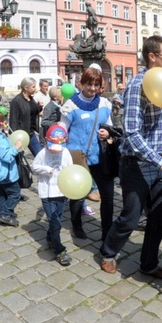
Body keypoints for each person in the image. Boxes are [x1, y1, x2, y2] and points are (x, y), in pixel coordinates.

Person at [99, 35, 162, 278]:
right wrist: (159, 160)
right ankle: (109, 252)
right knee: (131, 217)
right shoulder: (136, 86)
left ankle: (149, 263)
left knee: (159, 219)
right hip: (137, 164)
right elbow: (131, 132)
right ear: (152, 57)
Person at [61, 67, 114, 240]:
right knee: (78, 195)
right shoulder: (70, 105)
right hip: (78, 156)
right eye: (89, 84)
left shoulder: (105, 104)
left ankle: (107, 229)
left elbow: (109, 126)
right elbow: (62, 129)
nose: (92, 88)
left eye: (96, 84)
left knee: (108, 196)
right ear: (81, 84)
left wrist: (108, 133)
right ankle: (77, 225)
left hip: (100, 157)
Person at [32, 124, 74, 266]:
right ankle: (59, 250)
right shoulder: (43, 153)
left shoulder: (66, 153)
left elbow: (69, 171)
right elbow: (34, 166)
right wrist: (47, 169)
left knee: (57, 220)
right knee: (55, 221)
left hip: (61, 192)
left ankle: (50, 238)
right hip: (47, 192)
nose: (55, 152)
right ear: (46, 140)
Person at [0, 111, 22, 227]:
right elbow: (6, 156)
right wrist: (16, 148)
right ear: (2, 123)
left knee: (1, 194)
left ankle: (2, 213)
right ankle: (6, 214)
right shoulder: (0, 139)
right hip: (5, 173)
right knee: (15, 193)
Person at [9, 77, 42, 158]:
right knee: (18, 159)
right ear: (26, 88)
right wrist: (15, 137)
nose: (36, 89)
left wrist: (39, 107)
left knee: (40, 156)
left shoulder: (31, 98)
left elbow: (31, 112)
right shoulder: (16, 101)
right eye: (33, 87)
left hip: (31, 133)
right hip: (21, 135)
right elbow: (13, 120)